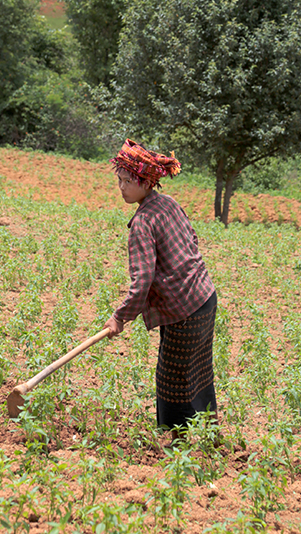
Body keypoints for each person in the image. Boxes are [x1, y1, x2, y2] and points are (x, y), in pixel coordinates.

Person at [103, 139, 217, 441]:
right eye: (119, 180)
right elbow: (192, 239)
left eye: (128, 181)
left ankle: (175, 443)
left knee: (172, 380)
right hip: (204, 297)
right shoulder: (168, 204)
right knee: (199, 371)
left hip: (183, 310)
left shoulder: (142, 223)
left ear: (145, 181)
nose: (122, 187)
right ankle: (207, 433)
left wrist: (119, 317)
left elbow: (142, 283)